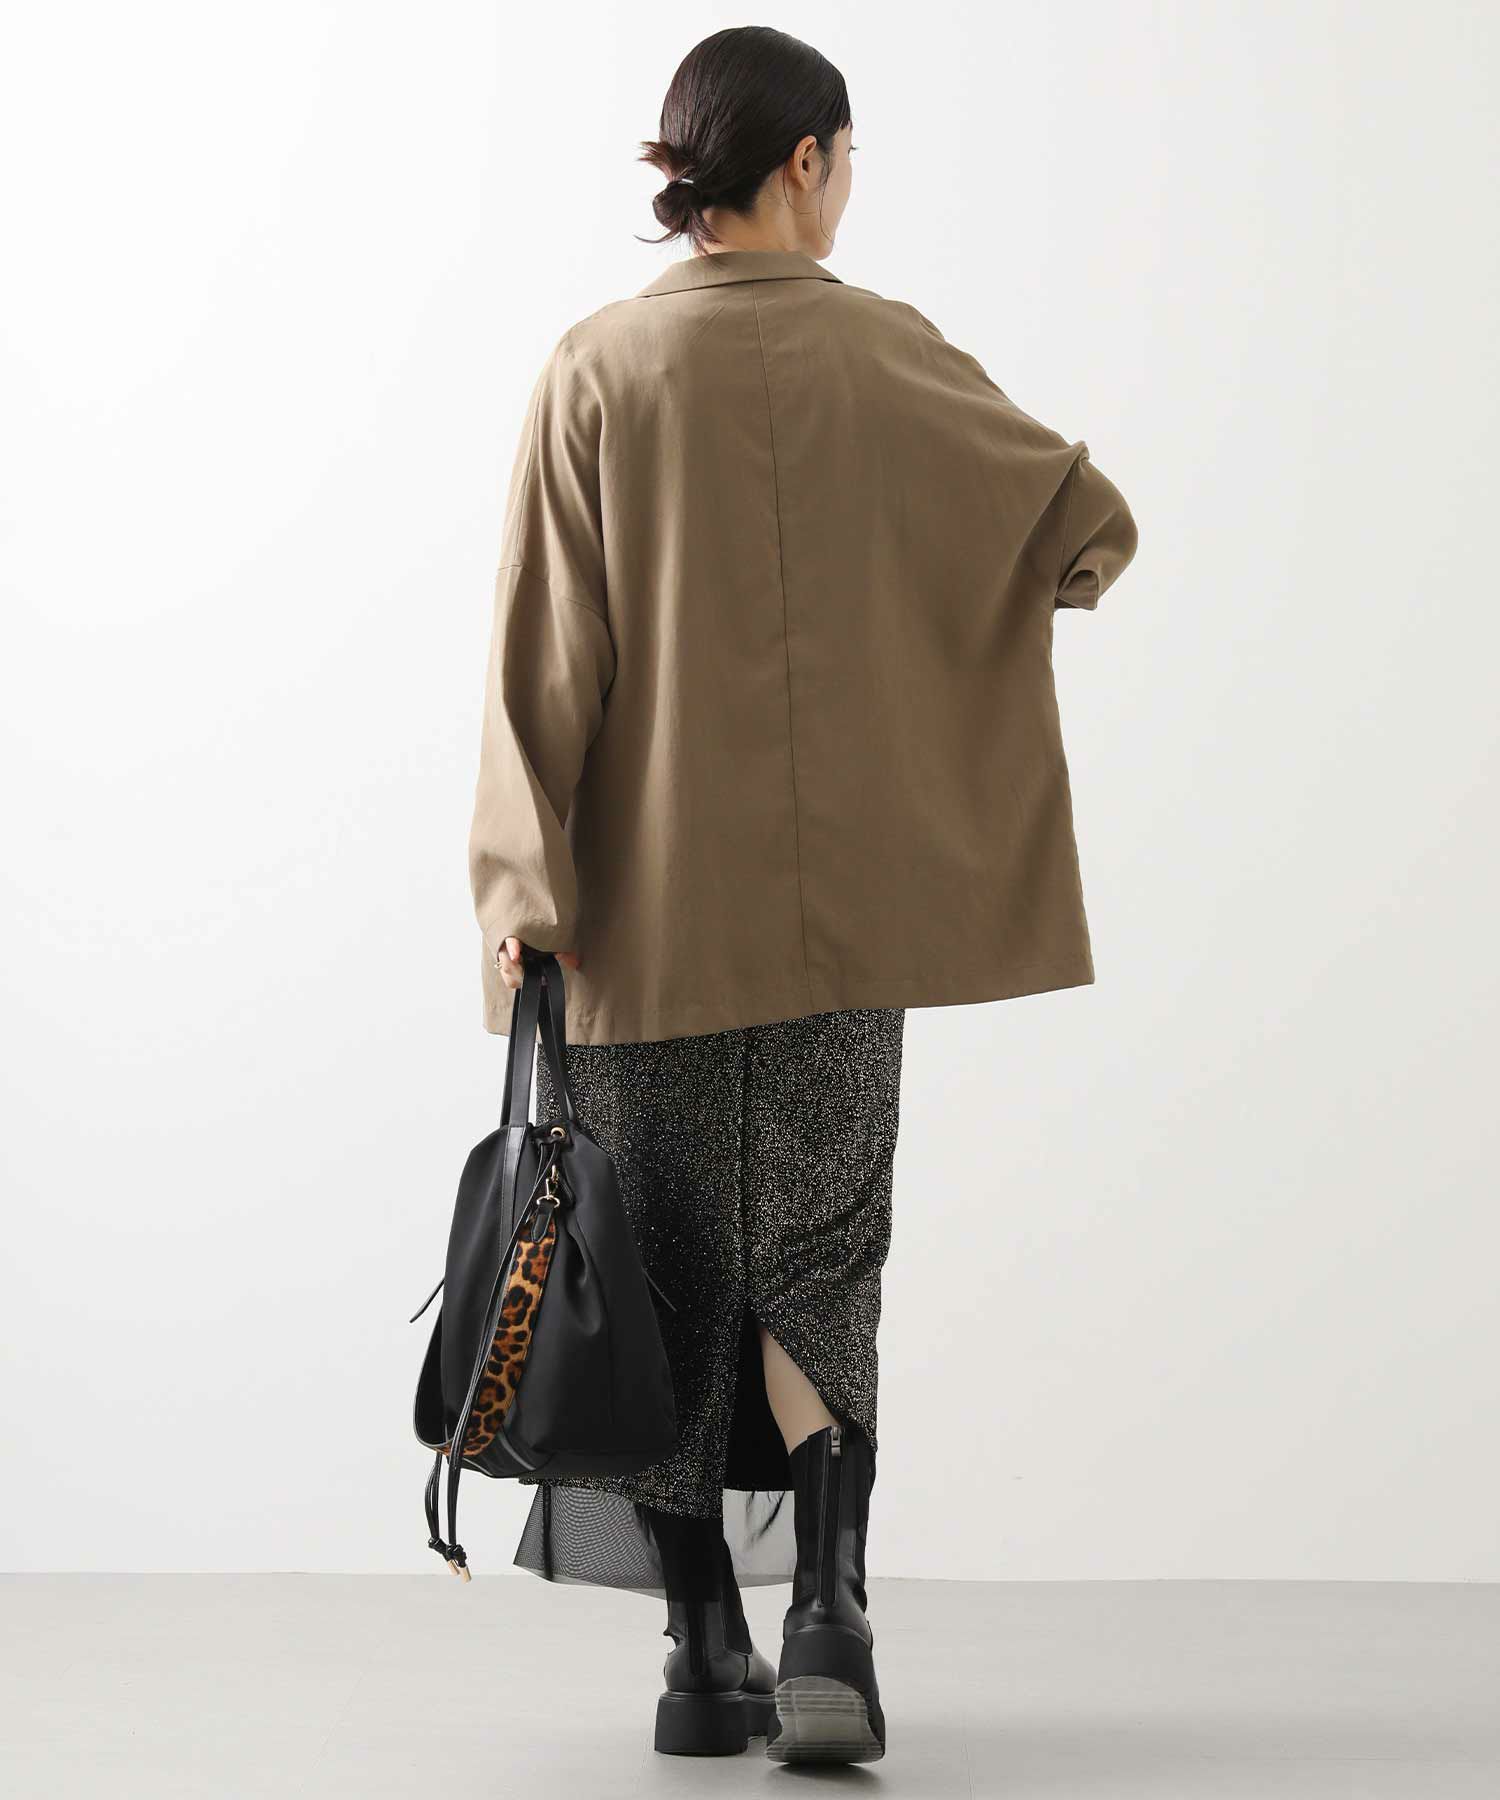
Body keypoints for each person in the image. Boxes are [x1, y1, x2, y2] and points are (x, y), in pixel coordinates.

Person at [467, 23, 1138, 1767]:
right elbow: (1082, 525)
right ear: (809, 160)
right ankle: (831, 1611)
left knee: (656, 1272)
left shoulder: (596, 373)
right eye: (847, 162)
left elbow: (544, 665)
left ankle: (704, 1655)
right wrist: (940, 614)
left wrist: (522, 898)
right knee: (821, 1260)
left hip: (641, 924)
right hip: (844, 924)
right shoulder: (889, 355)